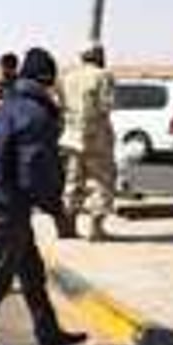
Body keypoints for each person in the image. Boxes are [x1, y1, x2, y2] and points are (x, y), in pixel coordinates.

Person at [0, 48, 88, 345]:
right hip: (9, 202)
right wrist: (56, 209)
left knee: (30, 268)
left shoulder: (7, 108)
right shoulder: (36, 115)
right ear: (47, 80)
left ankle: (48, 331)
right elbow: (35, 170)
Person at [58, 44, 117, 241]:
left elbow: (62, 104)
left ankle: (69, 226)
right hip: (96, 137)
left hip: (72, 136)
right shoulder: (103, 75)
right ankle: (96, 228)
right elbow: (106, 105)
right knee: (102, 181)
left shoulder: (67, 77)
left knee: (74, 181)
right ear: (98, 56)